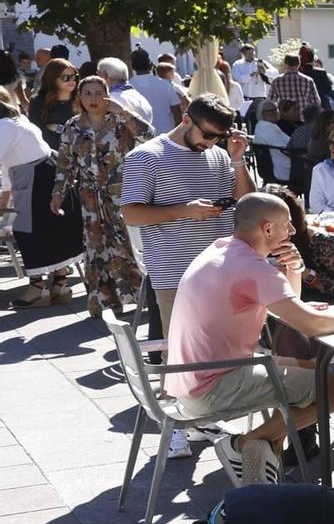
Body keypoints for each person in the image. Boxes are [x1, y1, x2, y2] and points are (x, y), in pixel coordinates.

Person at [163, 193, 334, 485]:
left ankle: (265, 467)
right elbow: (309, 323)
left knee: (311, 369)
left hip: (192, 380)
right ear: (267, 229)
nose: (292, 231)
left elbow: (291, 308)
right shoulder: (252, 267)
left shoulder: (222, 250)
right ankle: (242, 444)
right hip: (213, 386)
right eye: (287, 224)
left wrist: (295, 268)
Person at [120, 93, 255, 332]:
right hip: (177, 276)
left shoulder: (219, 155)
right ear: (186, 120)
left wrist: (237, 160)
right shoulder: (145, 157)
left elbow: (247, 201)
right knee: (183, 350)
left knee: (229, 346)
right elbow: (131, 214)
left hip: (225, 271)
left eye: (220, 137)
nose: (212, 143)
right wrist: (184, 211)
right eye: (208, 135)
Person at [48, 74, 153, 315]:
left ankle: (143, 297)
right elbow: (64, 163)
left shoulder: (119, 121)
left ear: (107, 95)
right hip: (89, 198)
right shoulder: (73, 126)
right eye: (87, 93)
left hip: (122, 194)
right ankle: (105, 302)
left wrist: (124, 112)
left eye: (98, 93)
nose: (93, 98)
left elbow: (149, 135)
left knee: (126, 243)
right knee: (96, 246)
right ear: (79, 97)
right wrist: (58, 194)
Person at [1, 92, 84, 309]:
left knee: (28, 230)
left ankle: (38, 288)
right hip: (42, 173)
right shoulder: (15, 121)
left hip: (36, 177)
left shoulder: (5, 126)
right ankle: (60, 283)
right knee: (48, 228)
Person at [126, 50, 188, 134]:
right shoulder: (165, 84)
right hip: (166, 133)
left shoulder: (128, 87)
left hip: (140, 135)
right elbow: (177, 112)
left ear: (131, 65)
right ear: (150, 63)